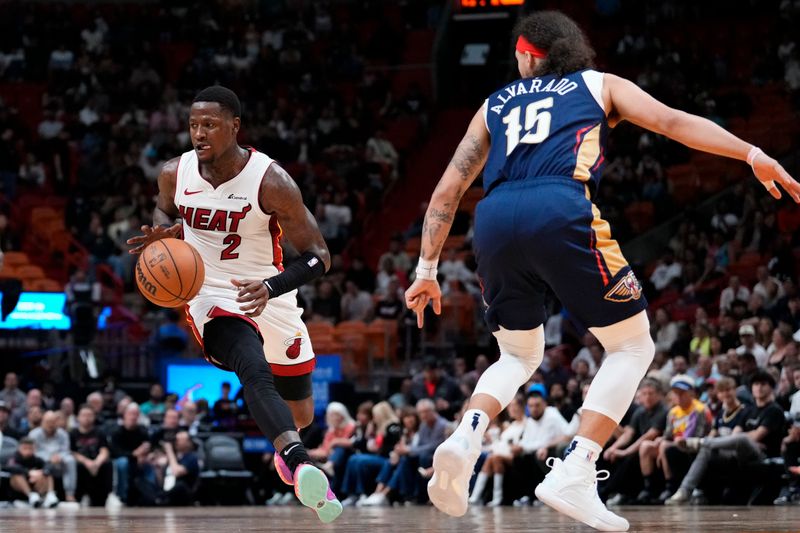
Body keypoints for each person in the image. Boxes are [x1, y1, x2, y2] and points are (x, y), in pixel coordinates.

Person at [403, 10, 800, 531]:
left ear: (526, 55)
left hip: (494, 218)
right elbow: (675, 122)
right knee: (633, 346)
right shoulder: (599, 84)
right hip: (559, 206)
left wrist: (426, 268)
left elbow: (448, 190)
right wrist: (751, 154)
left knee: (518, 354)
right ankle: (578, 466)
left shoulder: (493, 104)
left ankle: (466, 433)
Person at [126, 86, 340, 522]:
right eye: (192, 125)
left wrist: (272, 287)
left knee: (300, 411)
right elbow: (165, 211)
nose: (199, 133)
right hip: (208, 292)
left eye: (210, 125)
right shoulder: (174, 172)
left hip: (269, 292)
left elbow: (320, 256)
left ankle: (288, 450)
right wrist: (162, 234)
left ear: (235, 127)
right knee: (251, 366)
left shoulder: (271, 181)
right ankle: (300, 460)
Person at [666, 370, 787, 504]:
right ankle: (685, 491)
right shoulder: (750, 410)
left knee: (742, 439)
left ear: (771, 387)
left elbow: (757, 435)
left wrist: (742, 438)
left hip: (763, 454)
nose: (759, 387)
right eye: (756, 384)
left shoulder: (773, 410)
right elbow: (735, 435)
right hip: (739, 452)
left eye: (763, 384)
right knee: (707, 449)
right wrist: (736, 439)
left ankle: (700, 442)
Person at [70, 404, 113, 506]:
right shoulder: (72, 433)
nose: (87, 418)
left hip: (96, 463)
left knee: (107, 464)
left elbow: (104, 451)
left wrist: (96, 463)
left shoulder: (100, 432)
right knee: (77, 465)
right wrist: (87, 462)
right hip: (81, 463)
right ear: (78, 417)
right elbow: (72, 452)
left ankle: (107, 496)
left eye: (89, 415)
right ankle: (82, 496)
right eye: (84, 415)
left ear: (94, 417)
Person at [5, 437, 58, 508]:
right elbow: (11, 467)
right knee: (17, 475)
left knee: (46, 474)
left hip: (35, 486)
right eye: (25, 448)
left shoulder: (36, 459)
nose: (28, 451)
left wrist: (42, 473)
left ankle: (49, 495)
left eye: (30, 448)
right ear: (19, 448)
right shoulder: (14, 457)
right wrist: (28, 472)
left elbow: (48, 466)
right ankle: (31, 496)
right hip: (20, 489)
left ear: (34, 449)